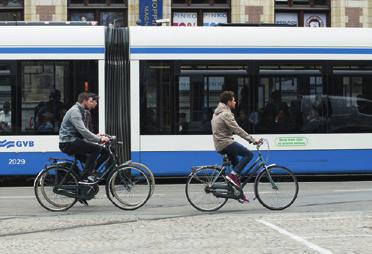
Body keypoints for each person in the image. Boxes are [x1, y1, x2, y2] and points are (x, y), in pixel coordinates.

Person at [211, 91, 261, 202]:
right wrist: (252, 140)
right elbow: (237, 129)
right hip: (226, 143)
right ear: (228, 102)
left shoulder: (217, 112)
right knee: (249, 154)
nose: (235, 102)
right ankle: (232, 176)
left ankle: (238, 193)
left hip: (220, 143)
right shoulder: (226, 114)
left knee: (237, 168)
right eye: (233, 100)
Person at [59, 92, 110, 184]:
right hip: (68, 143)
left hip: (73, 141)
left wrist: (96, 136)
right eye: (92, 101)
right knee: (97, 149)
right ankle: (85, 177)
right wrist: (99, 139)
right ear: (84, 101)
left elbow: (82, 131)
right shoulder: (75, 112)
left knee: (103, 153)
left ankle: (86, 179)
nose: (95, 104)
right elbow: (83, 131)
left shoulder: (81, 111)